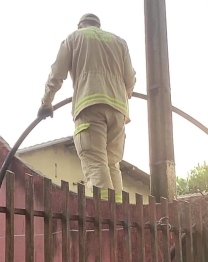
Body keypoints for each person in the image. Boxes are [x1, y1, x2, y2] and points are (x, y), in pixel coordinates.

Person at [37, 13, 136, 203]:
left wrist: (46, 103)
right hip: (118, 110)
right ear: (98, 26)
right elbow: (130, 80)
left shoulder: (74, 38)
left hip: (89, 107)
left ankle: (107, 217)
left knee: (97, 165)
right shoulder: (119, 42)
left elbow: (56, 76)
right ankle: (120, 216)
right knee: (112, 164)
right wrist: (126, 91)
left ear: (80, 25)